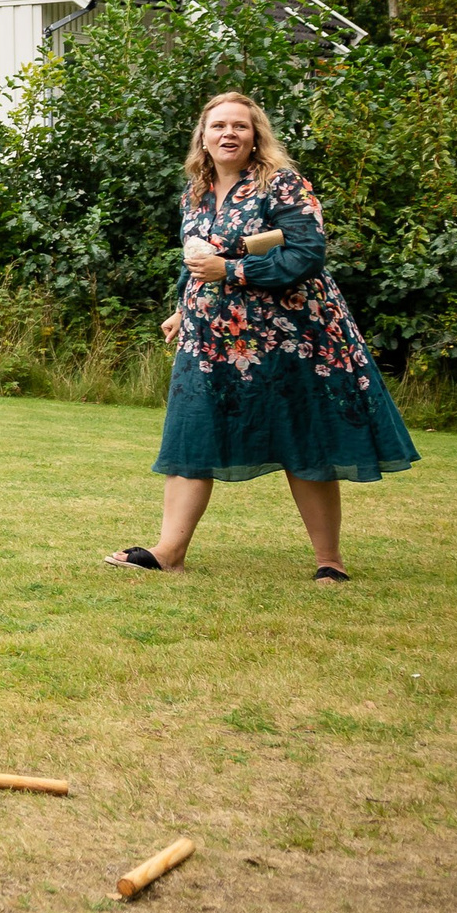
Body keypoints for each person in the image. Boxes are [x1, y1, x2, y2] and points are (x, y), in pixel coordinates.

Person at [107, 90, 417, 584]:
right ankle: (169, 551)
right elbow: (197, 261)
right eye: (218, 126)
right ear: (203, 138)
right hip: (212, 337)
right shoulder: (195, 193)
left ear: (256, 137)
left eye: (240, 126)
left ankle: (329, 561)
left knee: (303, 437)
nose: (229, 133)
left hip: (293, 337)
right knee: (192, 429)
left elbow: (307, 254)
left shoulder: (283, 185)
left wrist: (229, 269)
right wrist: (183, 306)